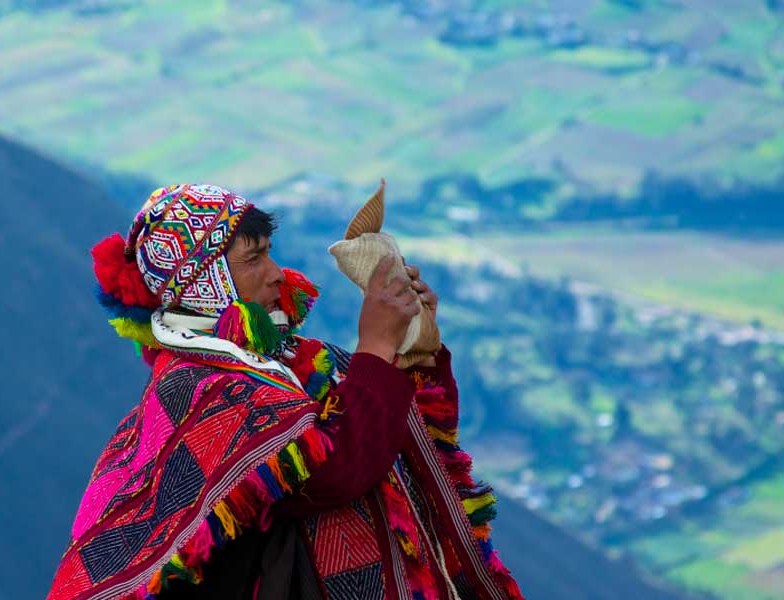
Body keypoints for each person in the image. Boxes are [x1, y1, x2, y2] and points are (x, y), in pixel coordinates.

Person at [48, 184, 523, 600]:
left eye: (270, 252)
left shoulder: (289, 362)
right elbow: (333, 473)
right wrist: (376, 345)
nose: (277, 273)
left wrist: (410, 344)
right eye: (254, 259)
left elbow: (397, 423)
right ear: (203, 284)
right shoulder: (198, 387)